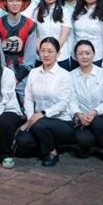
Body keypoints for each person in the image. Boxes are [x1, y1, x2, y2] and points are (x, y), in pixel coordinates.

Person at [15, 37, 75, 167]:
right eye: (42, 51)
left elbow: (63, 103)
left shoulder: (65, 75)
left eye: (50, 51)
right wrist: (30, 117)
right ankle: (47, 143)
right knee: (22, 141)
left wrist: (42, 114)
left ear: (58, 53)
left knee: (38, 124)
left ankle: (52, 151)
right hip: (37, 121)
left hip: (61, 121)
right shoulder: (33, 72)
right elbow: (28, 98)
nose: (46, 54)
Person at [69, 40, 103, 167]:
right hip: (82, 119)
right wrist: (79, 114)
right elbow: (71, 100)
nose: (84, 56)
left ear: (94, 55)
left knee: (98, 123)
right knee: (84, 141)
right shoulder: (71, 76)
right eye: (80, 53)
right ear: (76, 56)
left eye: (87, 53)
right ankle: (97, 143)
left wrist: (95, 111)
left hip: (102, 117)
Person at [0, 0, 37, 93]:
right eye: (11, 0)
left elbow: (30, 57)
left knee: (24, 96)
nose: (15, 3)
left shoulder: (30, 25)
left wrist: (18, 78)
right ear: (5, 3)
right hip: (2, 72)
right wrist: (6, 75)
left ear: (22, 3)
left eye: (18, 0)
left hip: (23, 74)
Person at [34, 0, 72, 69]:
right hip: (41, 57)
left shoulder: (64, 11)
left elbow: (64, 35)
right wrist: (42, 52)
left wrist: (53, 52)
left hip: (60, 57)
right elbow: (34, 35)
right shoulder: (36, 11)